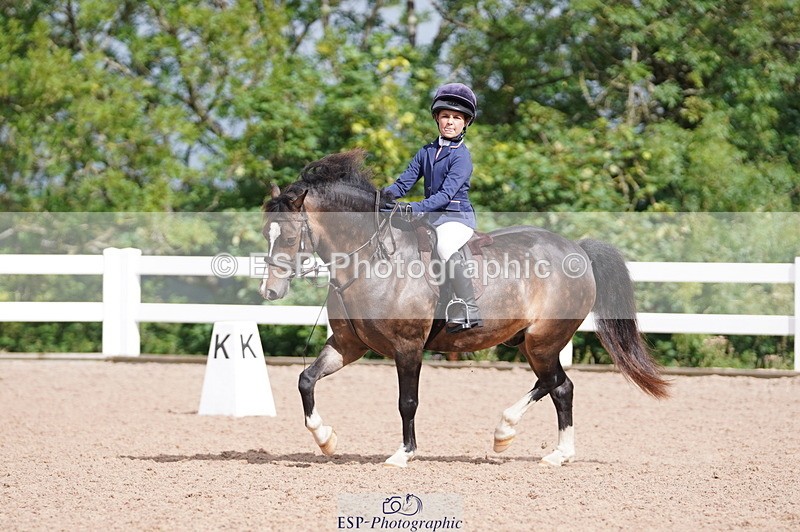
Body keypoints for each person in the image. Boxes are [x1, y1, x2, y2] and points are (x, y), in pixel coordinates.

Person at [381, 82, 483, 333]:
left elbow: (446, 195)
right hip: (431, 217)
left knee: (445, 245)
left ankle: (469, 308)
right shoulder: (426, 151)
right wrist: (379, 198)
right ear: (437, 118)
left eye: (457, 118)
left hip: (456, 218)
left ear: (465, 123)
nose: (450, 122)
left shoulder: (462, 157)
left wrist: (415, 209)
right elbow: (404, 183)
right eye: (445, 116)